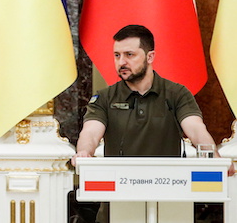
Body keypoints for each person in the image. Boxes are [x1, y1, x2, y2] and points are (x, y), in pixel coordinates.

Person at [72, 24, 234, 175]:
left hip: (170, 186)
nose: (121, 62)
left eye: (130, 55)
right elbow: (91, 133)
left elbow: (196, 130)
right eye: (117, 55)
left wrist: (214, 157)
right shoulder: (104, 97)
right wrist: (84, 153)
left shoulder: (177, 93)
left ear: (150, 57)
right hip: (119, 189)